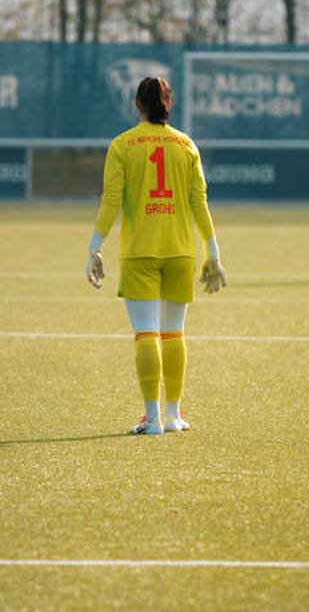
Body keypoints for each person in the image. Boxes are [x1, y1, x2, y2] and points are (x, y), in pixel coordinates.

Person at [85, 76, 226, 436]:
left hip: (140, 252)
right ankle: (175, 415)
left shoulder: (122, 145)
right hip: (180, 251)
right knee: (174, 334)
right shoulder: (186, 144)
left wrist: (94, 246)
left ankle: (153, 419)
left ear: (137, 104)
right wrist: (213, 251)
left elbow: (111, 200)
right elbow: (200, 203)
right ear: (169, 104)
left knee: (146, 334)